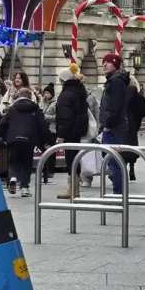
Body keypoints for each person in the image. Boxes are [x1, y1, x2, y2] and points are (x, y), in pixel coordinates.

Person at [0, 87, 50, 197]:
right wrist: (46, 141)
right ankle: (25, 188)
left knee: (13, 161)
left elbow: (3, 123)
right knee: (27, 163)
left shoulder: (12, 108)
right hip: (29, 139)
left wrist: (6, 138)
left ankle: (13, 178)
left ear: (18, 97)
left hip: (13, 138)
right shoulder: (35, 109)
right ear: (30, 97)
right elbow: (43, 126)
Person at [55, 65, 90, 199]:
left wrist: (61, 134)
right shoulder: (78, 91)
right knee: (75, 157)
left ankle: (73, 188)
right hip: (78, 129)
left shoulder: (66, 94)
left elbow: (65, 116)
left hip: (69, 130)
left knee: (70, 158)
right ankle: (75, 187)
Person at [98, 53, 129, 194]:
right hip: (113, 126)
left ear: (115, 65)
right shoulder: (113, 80)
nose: (104, 64)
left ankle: (119, 194)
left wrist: (107, 124)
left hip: (114, 127)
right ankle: (119, 192)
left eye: (108, 62)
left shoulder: (116, 81)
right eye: (103, 62)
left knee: (113, 161)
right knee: (112, 160)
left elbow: (115, 107)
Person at [122, 76, 145, 181]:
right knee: (132, 147)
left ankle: (123, 169)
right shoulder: (139, 97)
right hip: (134, 126)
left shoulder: (122, 95)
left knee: (122, 147)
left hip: (123, 124)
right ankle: (132, 169)